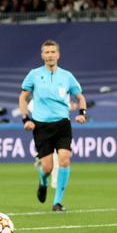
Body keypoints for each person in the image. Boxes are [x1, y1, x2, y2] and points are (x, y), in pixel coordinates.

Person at [19, 40, 87, 212]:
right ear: (42, 55)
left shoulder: (67, 76)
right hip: (41, 125)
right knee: (47, 167)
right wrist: (26, 119)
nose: (50, 55)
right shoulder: (34, 74)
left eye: (52, 52)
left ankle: (57, 202)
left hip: (62, 124)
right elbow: (23, 98)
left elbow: (80, 97)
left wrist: (81, 113)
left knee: (64, 159)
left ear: (58, 55)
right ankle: (43, 182)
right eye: (46, 52)